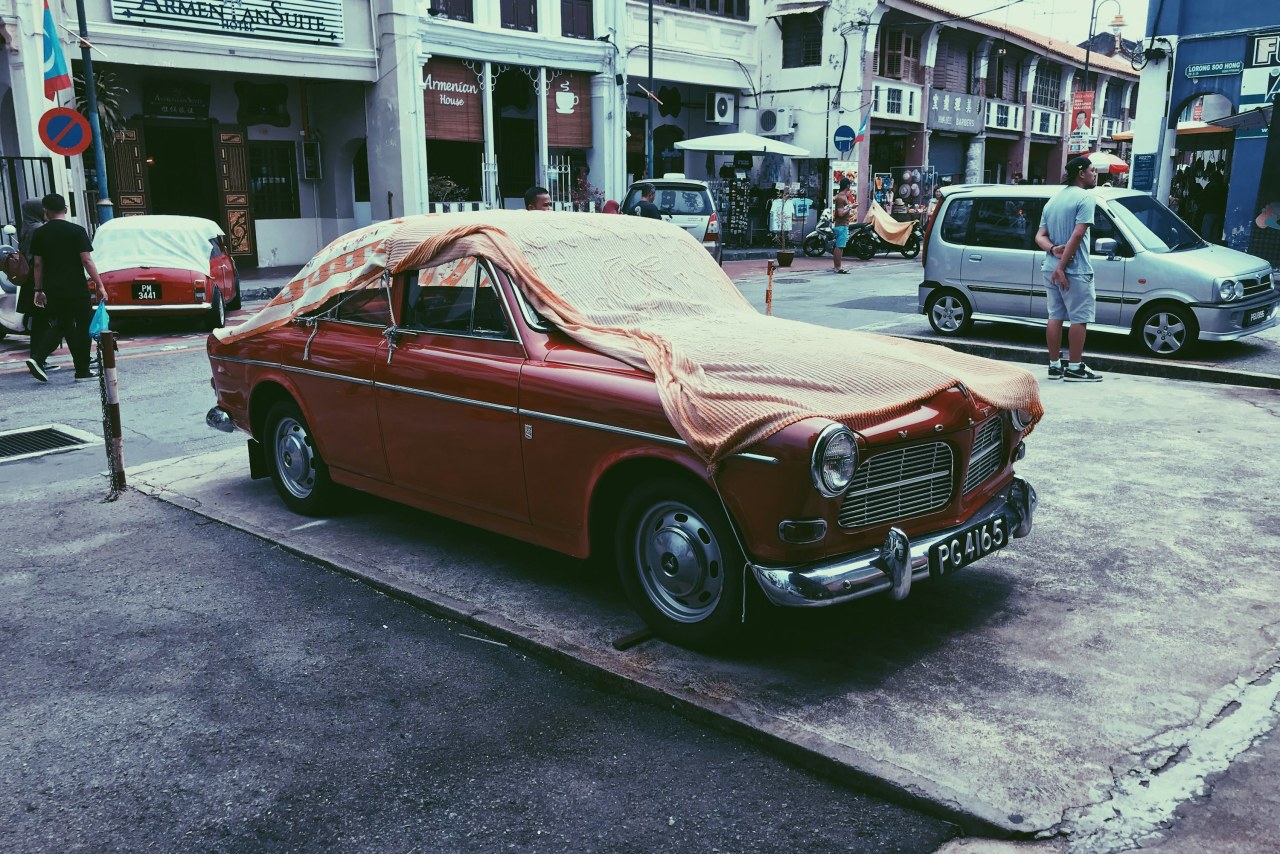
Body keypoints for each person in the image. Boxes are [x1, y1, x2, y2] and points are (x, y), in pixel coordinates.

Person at [26, 193, 107, 383]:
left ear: (45, 211)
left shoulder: (40, 233)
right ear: (66, 209)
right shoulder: (76, 231)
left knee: (63, 324)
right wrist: (100, 285)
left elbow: (38, 264)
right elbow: (86, 260)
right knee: (83, 325)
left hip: (53, 288)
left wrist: (38, 290)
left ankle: (38, 357)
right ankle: (82, 370)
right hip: (76, 287)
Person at [1034, 156, 1101, 382]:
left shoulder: (1053, 200)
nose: (1095, 174)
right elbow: (1078, 233)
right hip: (1074, 269)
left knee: (1055, 316)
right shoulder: (1085, 198)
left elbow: (1039, 236)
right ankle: (1074, 367)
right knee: (1078, 319)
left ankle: (1054, 366)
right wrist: (1062, 267)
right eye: (1092, 170)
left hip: (1050, 267)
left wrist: (1053, 250)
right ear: (1081, 173)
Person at [831, 177, 854, 274]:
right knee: (839, 246)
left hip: (842, 224)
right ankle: (837, 267)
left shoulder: (842, 196)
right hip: (841, 225)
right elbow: (840, 213)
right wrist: (850, 208)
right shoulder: (841, 197)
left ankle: (838, 266)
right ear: (847, 186)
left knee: (840, 246)